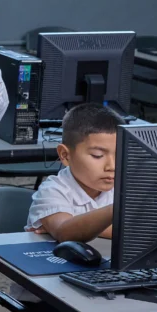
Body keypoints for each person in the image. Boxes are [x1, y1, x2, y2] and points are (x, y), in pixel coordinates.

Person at [27, 103, 120, 241]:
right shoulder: (52, 191)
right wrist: (118, 209)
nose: (112, 166)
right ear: (65, 155)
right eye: (97, 155)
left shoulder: (121, 187)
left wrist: (78, 223)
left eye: (119, 155)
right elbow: (65, 233)